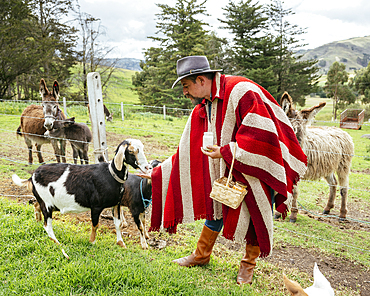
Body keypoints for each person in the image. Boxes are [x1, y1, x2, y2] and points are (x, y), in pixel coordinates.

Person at [141, 56, 307, 285]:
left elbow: (262, 137)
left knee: (259, 209)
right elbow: (187, 150)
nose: (185, 93)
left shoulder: (242, 91)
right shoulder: (207, 104)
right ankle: (201, 255)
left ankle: (248, 266)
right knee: (217, 204)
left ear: (200, 80)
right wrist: (158, 173)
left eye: (186, 87)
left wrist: (226, 151)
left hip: (261, 163)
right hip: (231, 167)